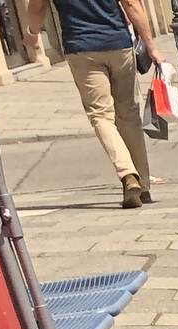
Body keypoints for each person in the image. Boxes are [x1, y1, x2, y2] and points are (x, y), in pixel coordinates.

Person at [20, 0, 158, 209]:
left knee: (101, 115)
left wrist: (31, 34)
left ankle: (128, 174)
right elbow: (131, 4)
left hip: (82, 48)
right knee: (128, 114)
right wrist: (151, 46)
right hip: (118, 44)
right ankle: (144, 185)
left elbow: (37, 7)